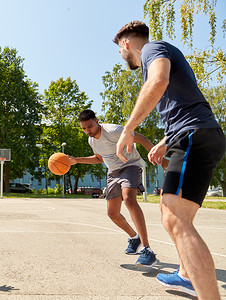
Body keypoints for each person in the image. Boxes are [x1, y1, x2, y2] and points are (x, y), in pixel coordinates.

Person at [114, 21, 225, 298]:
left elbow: (159, 80)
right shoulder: (160, 52)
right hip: (194, 132)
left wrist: (128, 130)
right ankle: (187, 274)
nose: (120, 55)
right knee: (172, 213)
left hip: (193, 135)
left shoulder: (152, 49)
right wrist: (164, 143)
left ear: (125, 43)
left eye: (119, 50)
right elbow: (185, 103)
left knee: (176, 218)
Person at [68, 109, 166, 267]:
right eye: (84, 128)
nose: (88, 131)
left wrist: (160, 158)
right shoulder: (92, 140)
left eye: (90, 126)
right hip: (113, 172)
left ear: (97, 121)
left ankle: (147, 250)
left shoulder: (114, 130)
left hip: (131, 165)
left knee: (129, 199)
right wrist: (77, 160)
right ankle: (135, 238)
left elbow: (140, 138)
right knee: (112, 213)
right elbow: (99, 159)